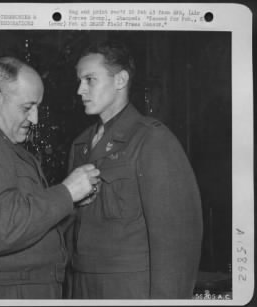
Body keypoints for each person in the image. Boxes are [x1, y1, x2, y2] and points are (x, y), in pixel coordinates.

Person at [0, 57, 100, 299]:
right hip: (4, 291)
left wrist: (71, 203)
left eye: (37, 108)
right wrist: (66, 192)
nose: (34, 119)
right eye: (26, 107)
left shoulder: (5, 146)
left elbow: (30, 225)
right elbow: (1, 228)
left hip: (25, 287)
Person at [66, 40, 203, 299]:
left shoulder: (152, 140)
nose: (80, 90)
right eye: (79, 80)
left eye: (90, 79)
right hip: (82, 287)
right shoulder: (81, 144)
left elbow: (176, 241)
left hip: (129, 288)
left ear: (120, 80)